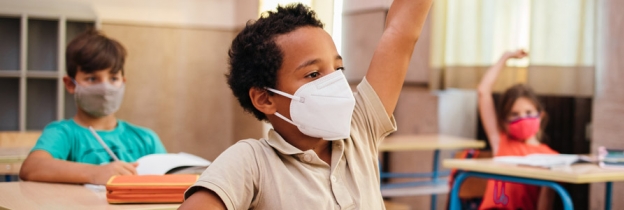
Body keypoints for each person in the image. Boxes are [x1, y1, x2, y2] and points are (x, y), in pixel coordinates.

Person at [179, 1, 432, 209]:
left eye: (338, 68)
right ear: (265, 98)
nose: (335, 81)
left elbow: (402, 31)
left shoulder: (360, 128)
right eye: (313, 74)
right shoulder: (251, 161)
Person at [19, 30, 166, 185]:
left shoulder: (146, 139)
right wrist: (96, 173)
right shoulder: (63, 134)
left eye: (113, 78)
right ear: (70, 84)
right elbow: (31, 168)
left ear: (123, 82)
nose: (104, 87)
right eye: (92, 78)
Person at [476, 50, 557, 210]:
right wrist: (505, 57)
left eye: (528, 113)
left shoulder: (551, 158)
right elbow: (483, 91)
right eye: (514, 114)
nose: (522, 118)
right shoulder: (501, 142)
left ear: (541, 116)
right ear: (504, 122)